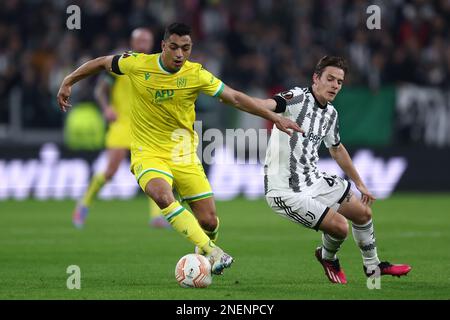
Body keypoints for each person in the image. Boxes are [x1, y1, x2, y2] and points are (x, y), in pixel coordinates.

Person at [57, 22, 302, 275]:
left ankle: (204, 251)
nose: (179, 54)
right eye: (173, 47)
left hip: (183, 154)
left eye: (185, 48)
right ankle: (212, 251)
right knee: (162, 195)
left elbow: (236, 98)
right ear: (163, 46)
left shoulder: (196, 74)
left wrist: (274, 117)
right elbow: (100, 62)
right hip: (147, 151)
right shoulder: (137, 63)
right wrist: (68, 80)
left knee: (209, 220)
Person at [260, 56, 411, 284]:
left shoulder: (331, 113)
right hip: (285, 190)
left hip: (314, 180)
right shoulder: (297, 98)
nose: (335, 85)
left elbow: (337, 148)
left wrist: (359, 183)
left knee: (363, 213)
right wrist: (242, 102)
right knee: (340, 228)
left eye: (339, 82)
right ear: (316, 78)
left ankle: (373, 267)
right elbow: (267, 105)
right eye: (330, 79)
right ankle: (327, 257)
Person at [72, 27, 170, 229]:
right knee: (110, 171)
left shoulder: (157, 65)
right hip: (122, 125)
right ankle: (84, 204)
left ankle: (156, 217)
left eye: (147, 40)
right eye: (140, 40)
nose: (143, 43)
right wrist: (106, 107)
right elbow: (100, 89)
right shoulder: (122, 63)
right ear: (132, 42)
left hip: (145, 127)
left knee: (154, 171)